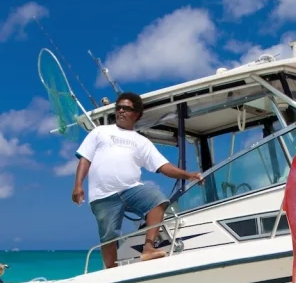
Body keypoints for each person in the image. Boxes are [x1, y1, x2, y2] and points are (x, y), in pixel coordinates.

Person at [72, 91, 202, 269]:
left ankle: (148, 248)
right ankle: (111, 273)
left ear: (137, 114)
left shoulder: (142, 141)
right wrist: (78, 185)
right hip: (102, 195)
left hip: (131, 189)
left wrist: (188, 175)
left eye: (126, 108)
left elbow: (163, 166)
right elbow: (85, 159)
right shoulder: (100, 132)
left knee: (158, 200)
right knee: (108, 237)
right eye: (119, 107)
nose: (121, 111)